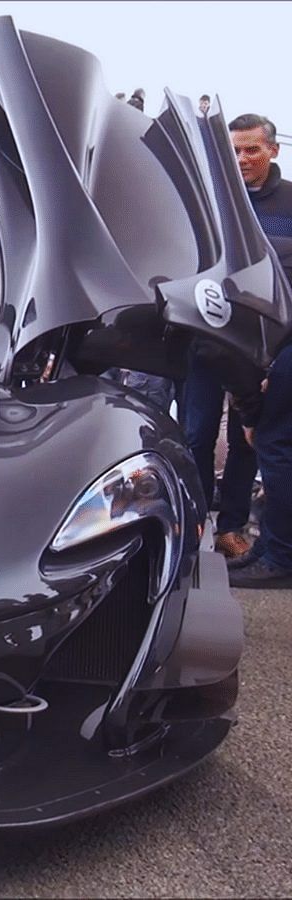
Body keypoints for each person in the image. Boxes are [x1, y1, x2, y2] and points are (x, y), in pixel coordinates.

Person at [221, 113, 292, 587]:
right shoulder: (222, 203)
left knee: (274, 443)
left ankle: (281, 560)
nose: (243, 159)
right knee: (263, 440)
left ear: (273, 150)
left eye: (252, 149)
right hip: (244, 341)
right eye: (236, 151)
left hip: (284, 341)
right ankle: (266, 543)